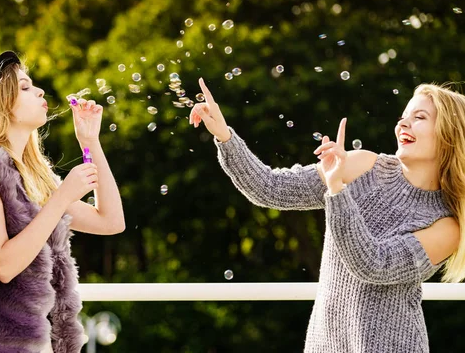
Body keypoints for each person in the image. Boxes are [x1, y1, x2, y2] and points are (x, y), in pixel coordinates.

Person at [189, 78, 463, 352]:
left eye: (420, 117)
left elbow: (373, 264)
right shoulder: (361, 164)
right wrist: (224, 135)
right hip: (325, 344)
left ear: (449, 136)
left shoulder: (446, 226)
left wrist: (337, 190)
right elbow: (271, 189)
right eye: (403, 117)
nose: (403, 124)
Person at [0, 51, 125, 353]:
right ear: (2, 102)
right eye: (26, 86)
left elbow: (111, 222)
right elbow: (3, 266)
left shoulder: (32, 177)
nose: (40, 91)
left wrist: (90, 142)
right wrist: (62, 198)